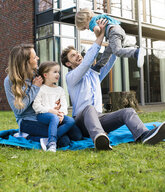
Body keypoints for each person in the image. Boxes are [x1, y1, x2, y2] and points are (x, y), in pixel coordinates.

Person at [61, 19, 165, 150]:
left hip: (99, 118)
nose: (78, 56)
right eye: (73, 56)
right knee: (89, 108)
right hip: (82, 122)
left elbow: (110, 59)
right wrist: (99, 37)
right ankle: (99, 138)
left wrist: (112, 36)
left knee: (128, 112)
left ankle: (144, 136)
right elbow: (87, 62)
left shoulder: (93, 74)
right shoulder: (71, 77)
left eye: (77, 53)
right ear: (68, 64)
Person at [4, 43, 82, 151]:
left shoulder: (37, 75)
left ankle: (49, 137)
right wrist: (35, 88)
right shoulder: (10, 81)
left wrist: (54, 107)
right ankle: (32, 136)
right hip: (28, 122)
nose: (38, 58)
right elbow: (19, 111)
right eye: (34, 57)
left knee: (77, 135)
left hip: (46, 116)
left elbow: (47, 94)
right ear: (26, 62)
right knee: (64, 141)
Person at [75, 8, 145, 71]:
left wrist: (97, 35)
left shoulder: (92, 22)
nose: (87, 29)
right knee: (107, 52)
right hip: (118, 30)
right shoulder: (98, 17)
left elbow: (97, 29)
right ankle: (98, 66)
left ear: (86, 20)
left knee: (117, 51)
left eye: (85, 27)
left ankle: (136, 52)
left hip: (113, 32)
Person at [32, 61, 76, 152]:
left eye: (58, 72)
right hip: (43, 114)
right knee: (54, 118)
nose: (58, 74)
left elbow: (64, 105)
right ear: (45, 75)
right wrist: (51, 111)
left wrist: (62, 114)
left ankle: (48, 139)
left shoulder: (60, 90)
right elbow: (36, 106)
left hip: (57, 115)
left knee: (71, 121)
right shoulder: (41, 89)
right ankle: (52, 143)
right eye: (55, 72)